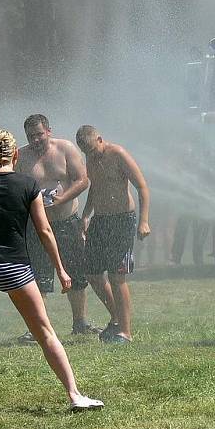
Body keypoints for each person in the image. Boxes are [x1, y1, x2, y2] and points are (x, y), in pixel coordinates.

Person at [0, 129, 103, 419]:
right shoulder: (28, 184)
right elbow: (45, 230)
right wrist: (61, 269)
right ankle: (75, 396)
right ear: (15, 155)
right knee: (46, 333)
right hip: (15, 266)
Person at [17, 114, 99, 343]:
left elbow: (83, 180)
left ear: (49, 131)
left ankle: (80, 322)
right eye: (31, 136)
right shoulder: (21, 156)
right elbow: (15, 186)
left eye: (39, 134)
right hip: (38, 225)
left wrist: (62, 199)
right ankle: (37, 328)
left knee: (75, 272)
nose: (36, 140)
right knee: (37, 276)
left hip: (66, 220)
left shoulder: (65, 149)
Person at [75, 125, 151, 343]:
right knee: (92, 273)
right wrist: (86, 215)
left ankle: (125, 332)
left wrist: (144, 221)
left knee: (117, 276)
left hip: (122, 220)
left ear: (100, 139)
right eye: (85, 152)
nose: (90, 155)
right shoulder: (91, 158)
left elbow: (142, 187)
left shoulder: (117, 154)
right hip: (100, 220)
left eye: (91, 149)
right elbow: (95, 188)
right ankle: (116, 318)